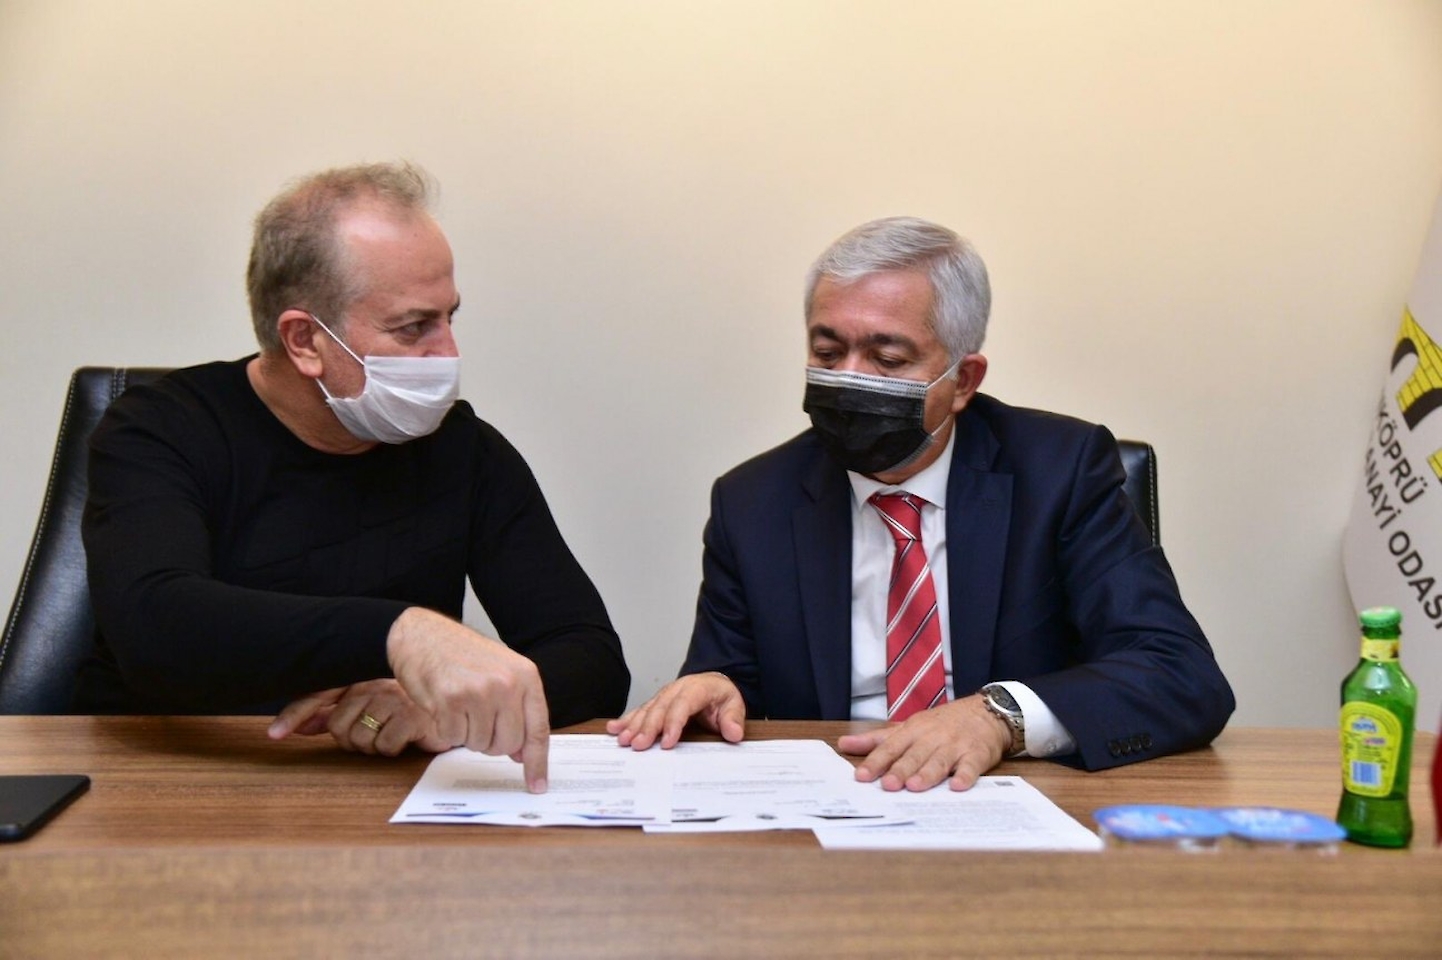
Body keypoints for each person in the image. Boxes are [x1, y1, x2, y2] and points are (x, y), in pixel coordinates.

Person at [609, 216, 1234, 791]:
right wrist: (714, 688)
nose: (850, 379)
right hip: (838, 799)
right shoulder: (753, 502)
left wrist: (998, 717)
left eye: (887, 359)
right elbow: (728, 680)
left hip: (1014, 796)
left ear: (963, 380)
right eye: (827, 353)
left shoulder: (1060, 472)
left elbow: (1179, 674)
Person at [80, 162, 629, 791]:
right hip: (161, 779)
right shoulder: (160, 429)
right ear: (304, 341)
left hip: (373, 794)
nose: (448, 355)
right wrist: (401, 633)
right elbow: (154, 624)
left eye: (449, 318)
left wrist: (440, 710)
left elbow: (590, 657)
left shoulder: (464, 450)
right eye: (414, 327)